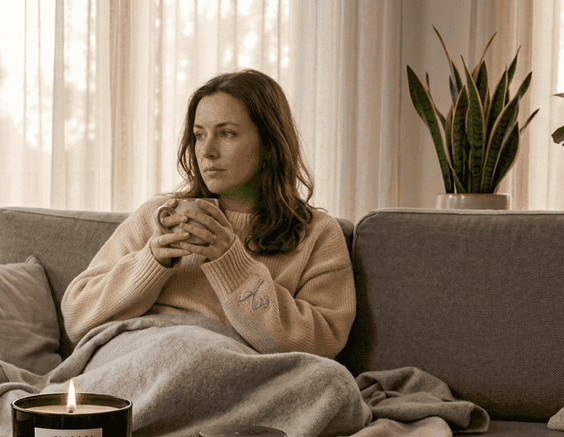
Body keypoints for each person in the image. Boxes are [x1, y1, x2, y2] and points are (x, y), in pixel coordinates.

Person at [61, 69, 355, 358]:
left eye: (226, 133)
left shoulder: (317, 233)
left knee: (333, 385)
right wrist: (150, 262)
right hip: (144, 353)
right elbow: (77, 317)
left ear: (269, 142)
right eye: (199, 136)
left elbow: (324, 343)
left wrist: (233, 264)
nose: (207, 151)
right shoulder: (160, 215)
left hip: (239, 369)